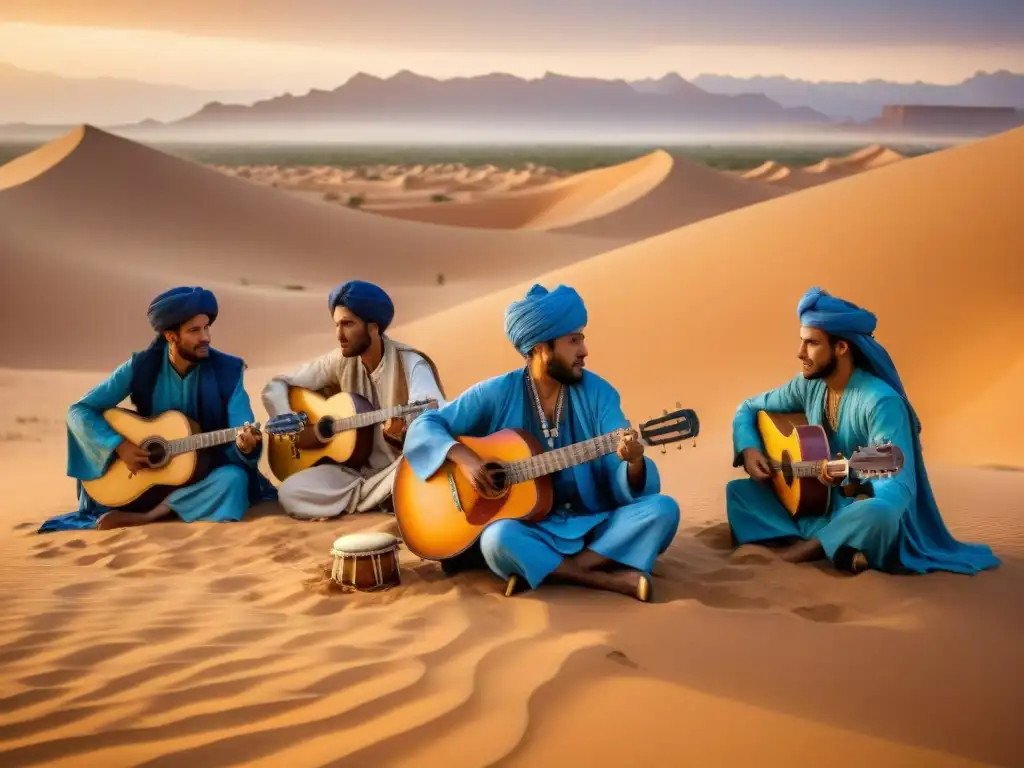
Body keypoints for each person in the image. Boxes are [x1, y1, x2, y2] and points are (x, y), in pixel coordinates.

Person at [402, 283, 680, 602]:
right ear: (540, 348)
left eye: (582, 339)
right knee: (497, 539)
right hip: (528, 529)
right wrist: (466, 459)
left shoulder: (600, 394)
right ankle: (603, 579)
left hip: (592, 523)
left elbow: (618, 471)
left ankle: (555, 569)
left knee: (663, 510)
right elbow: (425, 425)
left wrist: (633, 462)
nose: (584, 351)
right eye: (573, 341)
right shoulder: (495, 393)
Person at [727, 285, 1001, 575]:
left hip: (858, 509)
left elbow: (897, 483)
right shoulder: (808, 385)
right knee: (740, 492)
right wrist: (749, 448)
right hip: (819, 506)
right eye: (801, 341)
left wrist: (851, 471)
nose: (799, 353)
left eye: (811, 343)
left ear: (841, 347)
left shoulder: (881, 402)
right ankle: (837, 548)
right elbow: (747, 407)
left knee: (879, 513)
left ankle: (802, 549)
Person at [39, 286, 278, 533]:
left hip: (202, 478)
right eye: (195, 330)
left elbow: (244, 426)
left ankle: (151, 516)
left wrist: (246, 446)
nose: (206, 337)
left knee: (235, 481)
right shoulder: (140, 367)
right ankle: (173, 508)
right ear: (170, 336)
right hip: (145, 479)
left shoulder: (228, 371)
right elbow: (79, 411)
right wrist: (118, 446)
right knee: (103, 489)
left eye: (207, 328)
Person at [261, 280, 447, 519]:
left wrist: (399, 435)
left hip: (396, 468)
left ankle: (383, 495)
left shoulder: (411, 364)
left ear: (373, 327)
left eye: (347, 324)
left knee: (424, 465)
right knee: (290, 492)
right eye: (337, 325)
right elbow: (277, 384)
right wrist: (289, 421)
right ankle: (381, 498)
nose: (339, 335)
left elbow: (435, 420)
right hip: (353, 473)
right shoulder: (340, 359)